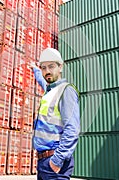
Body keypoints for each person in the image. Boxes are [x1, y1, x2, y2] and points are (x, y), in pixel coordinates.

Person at [32, 48, 80, 180]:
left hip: (54, 162)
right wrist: (34, 69)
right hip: (43, 162)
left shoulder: (66, 91)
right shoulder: (50, 90)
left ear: (60, 67)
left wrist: (56, 160)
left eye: (51, 66)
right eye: (43, 68)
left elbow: (72, 130)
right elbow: (43, 80)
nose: (47, 71)